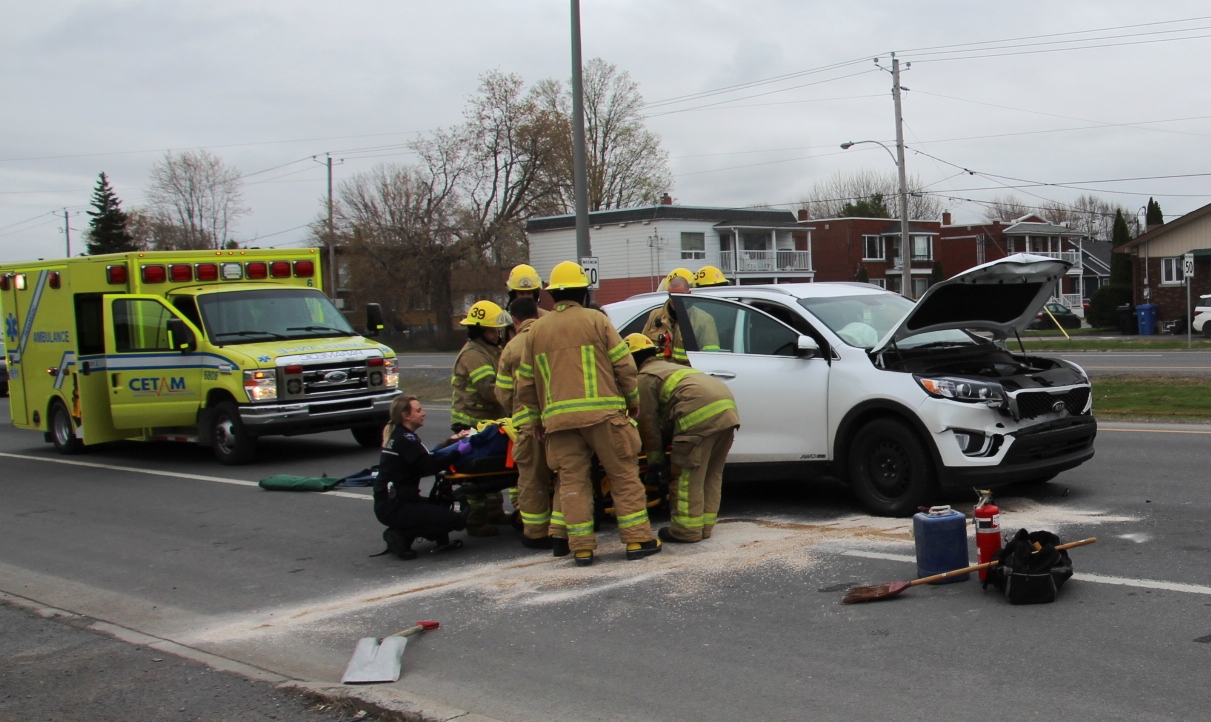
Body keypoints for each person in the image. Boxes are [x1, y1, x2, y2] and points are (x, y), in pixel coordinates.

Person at [515, 261, 662, 567]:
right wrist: (632, 400)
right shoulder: (596, 321)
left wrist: (533, 421)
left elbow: (525, 385)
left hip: (558, 423)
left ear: (553, 295)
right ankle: (637, 539)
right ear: (583, 292)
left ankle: (581, 547)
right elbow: (624, 365)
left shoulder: (536, 331)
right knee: (623, 475)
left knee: (572, 483)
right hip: (604, 416)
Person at [626, 333, 740, 544]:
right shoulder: (669, 367)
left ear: (631, 360)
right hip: (727, 414)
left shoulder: (644, 379)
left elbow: (648, 425)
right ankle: (704, 527)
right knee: (710, 474)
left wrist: (656, 462)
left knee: (687, 476)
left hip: (698, 418)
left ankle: (686, 531)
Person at [495, 296, 564, 553]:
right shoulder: (551, 338)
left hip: (526, 425)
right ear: (538, 312)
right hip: (557, 418)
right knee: (565, 475)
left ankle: (536, 534)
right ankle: (562, 531)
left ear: (514, 320)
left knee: (532, 479)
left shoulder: (512, 348)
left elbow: (502, 393)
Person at [374, 395, 473, 560]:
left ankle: (417, 533)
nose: (423, 413)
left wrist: (451, 441)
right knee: (455, 520)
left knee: (440, 506)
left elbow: (426, 458)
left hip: (393, 503)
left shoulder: (400, 435)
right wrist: (458, 453)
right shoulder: (405, 439)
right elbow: (430, 466)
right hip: (396, 506)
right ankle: (400, 534)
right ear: (406, 416)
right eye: (418, 410)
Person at [451, 299, 510, 536]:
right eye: (492, 330)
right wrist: (515, 395)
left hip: (486, 419)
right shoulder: (474, 355)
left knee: (491, 470)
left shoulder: (489, 350)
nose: (497, 334)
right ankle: (475, 520)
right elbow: (488, 389)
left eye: (498, 330)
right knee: (475, 476)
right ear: (478, 330)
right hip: (470, 422)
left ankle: (494, 513)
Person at [641, 268, 721, 364]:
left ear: (689, 294)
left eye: (679, 296)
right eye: (672, 296)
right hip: (659, 375)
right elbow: (643, 348)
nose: (675, 300)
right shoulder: (655, 315)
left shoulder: (704, 320)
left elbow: (710, 359)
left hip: (686, 376)